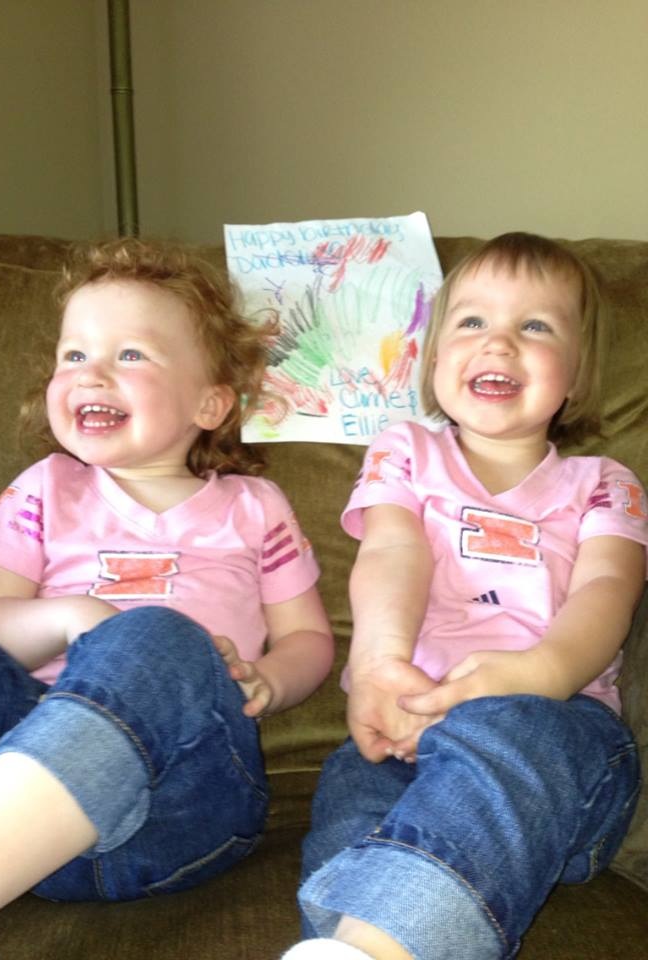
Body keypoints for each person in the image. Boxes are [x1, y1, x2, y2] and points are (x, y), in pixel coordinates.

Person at [0, 238, 334, 960]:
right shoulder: (46, 489)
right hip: (12, 820)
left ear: (209, 401)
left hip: (178, 803)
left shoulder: (254, 506)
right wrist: (71, 618)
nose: (91, 373)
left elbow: (308, 637)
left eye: (130, 354)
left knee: (158, 637)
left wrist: (271, 680)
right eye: (74, 354)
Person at [280, 232, 648, 960]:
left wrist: (539, 672)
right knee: (351, 833)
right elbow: (393, 550)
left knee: (509, 742)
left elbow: (609, 588)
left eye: (535, 326)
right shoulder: (404, 451)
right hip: (403, 725)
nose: (498, 343)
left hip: (555, 735)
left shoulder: (605, 483)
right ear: (434, 358)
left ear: (578, 374)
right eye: (472, 321)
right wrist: (380, 664)